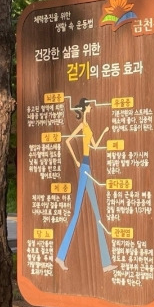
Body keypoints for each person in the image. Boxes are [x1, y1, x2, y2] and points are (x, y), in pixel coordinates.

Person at [55, 98, 116, 273]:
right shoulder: (82, 125)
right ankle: (60, 256)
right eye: (89, 106)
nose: (90, 108)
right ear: (85, 108)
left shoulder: (88, 126)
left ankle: (106, 263)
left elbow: (94, 145)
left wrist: (103, 132)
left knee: (96, 213)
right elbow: (68, 141)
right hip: (84, 168)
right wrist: (76, 160)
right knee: (76, 213)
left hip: (87, 167)